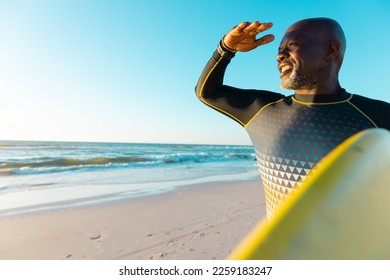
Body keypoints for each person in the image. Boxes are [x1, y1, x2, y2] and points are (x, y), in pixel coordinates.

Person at [195, 18, 390, 218]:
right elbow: (207, 92)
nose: (280, 56)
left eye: (293, 45)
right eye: (280, 49)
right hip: (281, 249)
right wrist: (225, 49)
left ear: (330, 50)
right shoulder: (262, 110)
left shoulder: (378, 116)